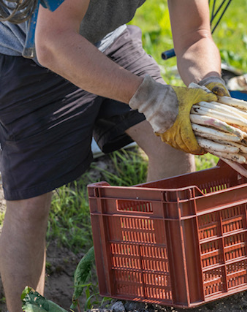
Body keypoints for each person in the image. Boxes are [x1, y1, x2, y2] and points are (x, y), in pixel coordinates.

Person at [0, 0, 229, 311]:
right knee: (30, 203)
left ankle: (158, 290)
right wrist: (148, 96)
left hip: (104, 39)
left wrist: (209, 82)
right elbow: (52, 42)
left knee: (171, 142)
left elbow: (195, 34)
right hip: (27, 52)